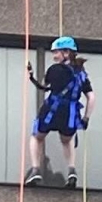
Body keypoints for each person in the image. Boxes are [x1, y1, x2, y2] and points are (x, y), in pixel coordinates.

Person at [24, 36, 96, 188]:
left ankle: (36, 169)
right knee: (67, 140)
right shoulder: (82, 75)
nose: (54, 56)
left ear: (66, 53)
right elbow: (91, 97)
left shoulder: (54, 70)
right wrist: (86, 118)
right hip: (70, 115)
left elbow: (44, 86)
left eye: (56, 52)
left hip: (52, 110)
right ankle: (71, 170)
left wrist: (31, 77)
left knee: (37, 137)